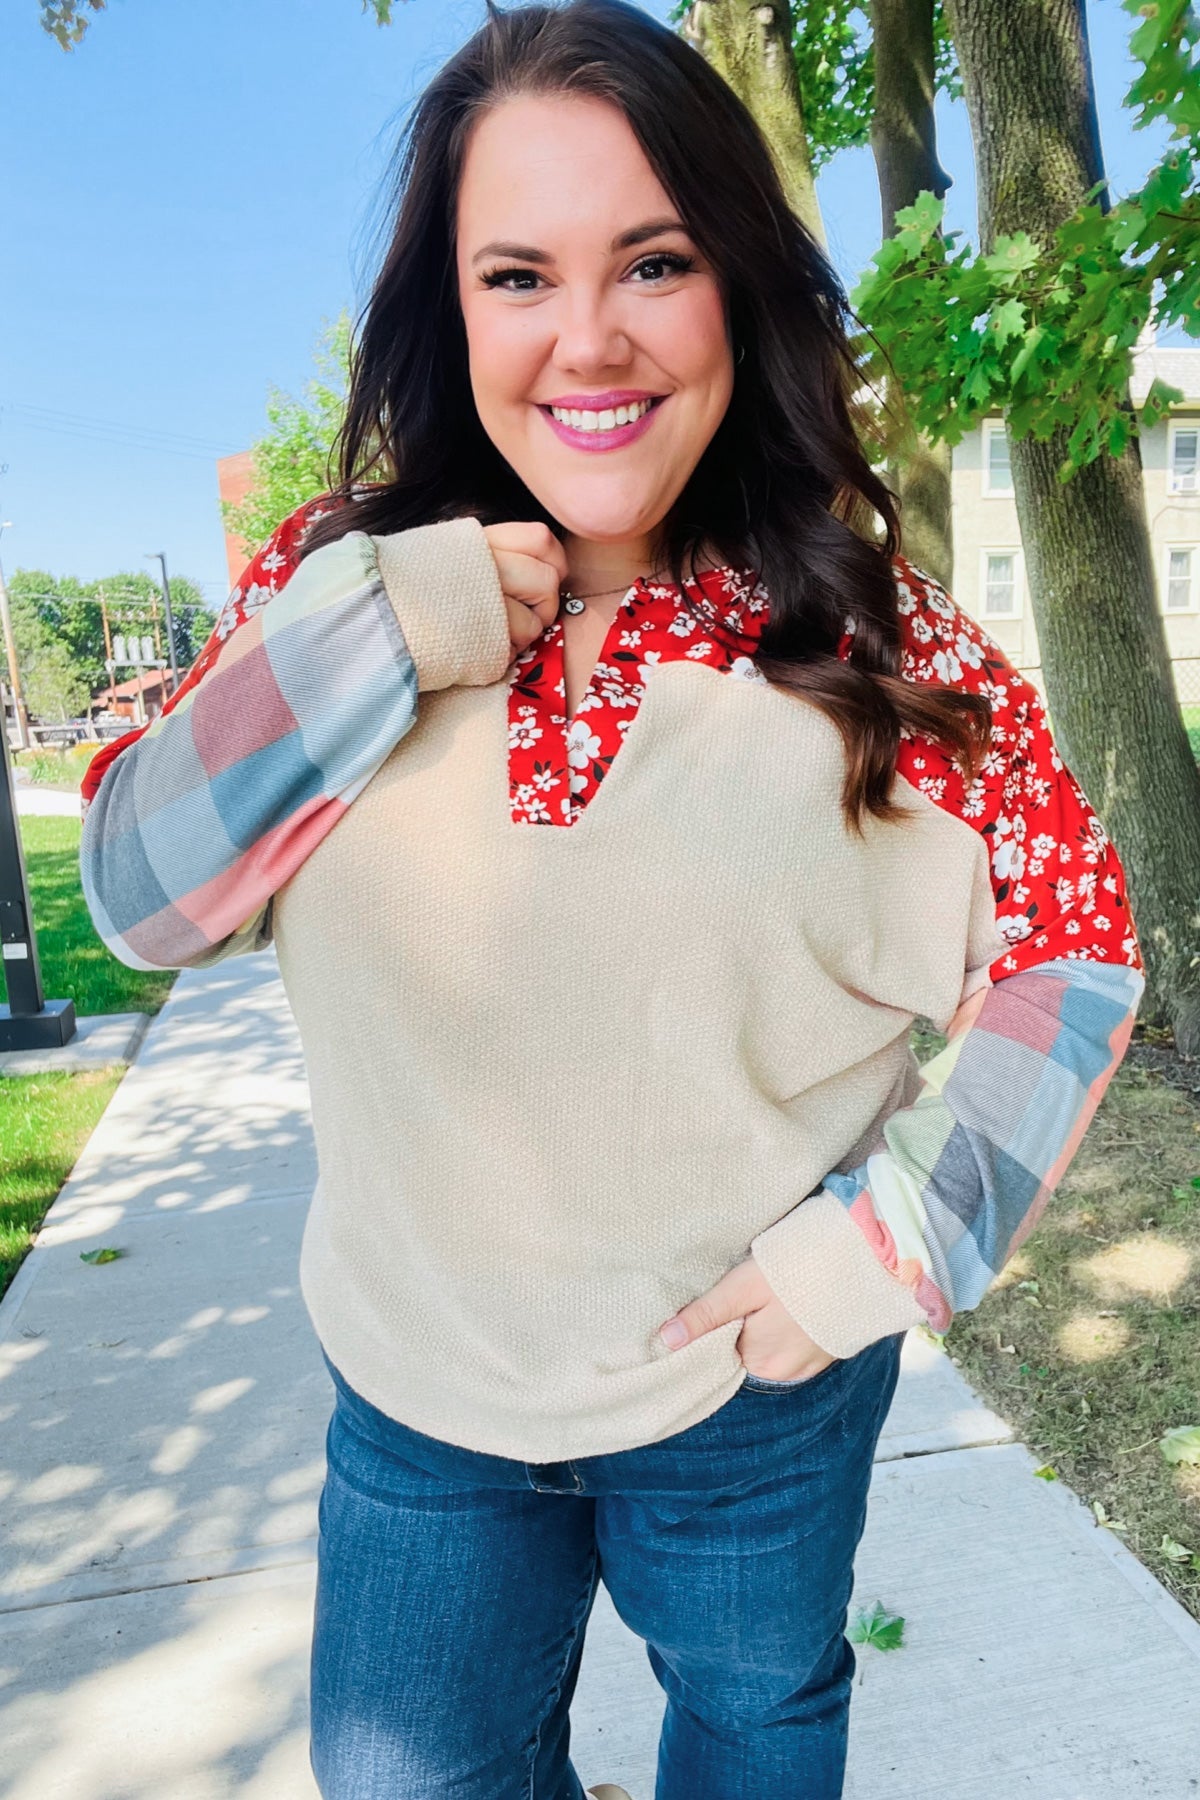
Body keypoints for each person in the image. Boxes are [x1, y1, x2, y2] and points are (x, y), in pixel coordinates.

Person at [78, 2, 1144, 1795]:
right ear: (453, 304)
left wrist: (893, 1246)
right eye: (518, 275)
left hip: (755, 1408)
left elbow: (1079, 953)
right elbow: (140, 898)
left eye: (653, 261)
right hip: (419, 1398)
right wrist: (381, 635)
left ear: (735, 283)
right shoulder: (330, 582)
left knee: (754, 1724)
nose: (590, 337)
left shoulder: (874, 635)